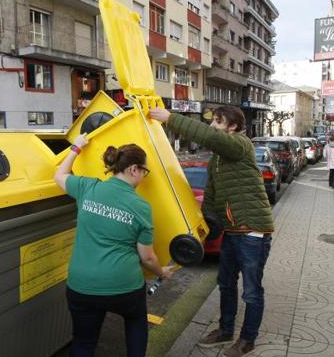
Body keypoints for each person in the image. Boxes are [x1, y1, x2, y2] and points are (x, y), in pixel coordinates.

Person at [149, 106, 274, 357]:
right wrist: (205, 223)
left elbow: (211, 137)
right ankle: (225, 330)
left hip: (252, 231)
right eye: (213, 120)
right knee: (225, 284)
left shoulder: (240, 144)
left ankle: (247, 340)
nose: (214, 125)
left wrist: (171, 119)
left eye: (219, 121)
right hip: (232, 230)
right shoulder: (217, 160)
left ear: (233, 127)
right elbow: (212, 196)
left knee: (251, 291)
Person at [54, 134, 174, 357]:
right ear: (133, 169)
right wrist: (162, 272)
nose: (144, 177)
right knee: (136, 321)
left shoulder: (87, 187)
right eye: (144, 172)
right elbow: (147, 257)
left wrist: (76, 148)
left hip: (82, 286)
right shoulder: (141, 206)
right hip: (123, 287)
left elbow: (59, 175)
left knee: (83, 342)